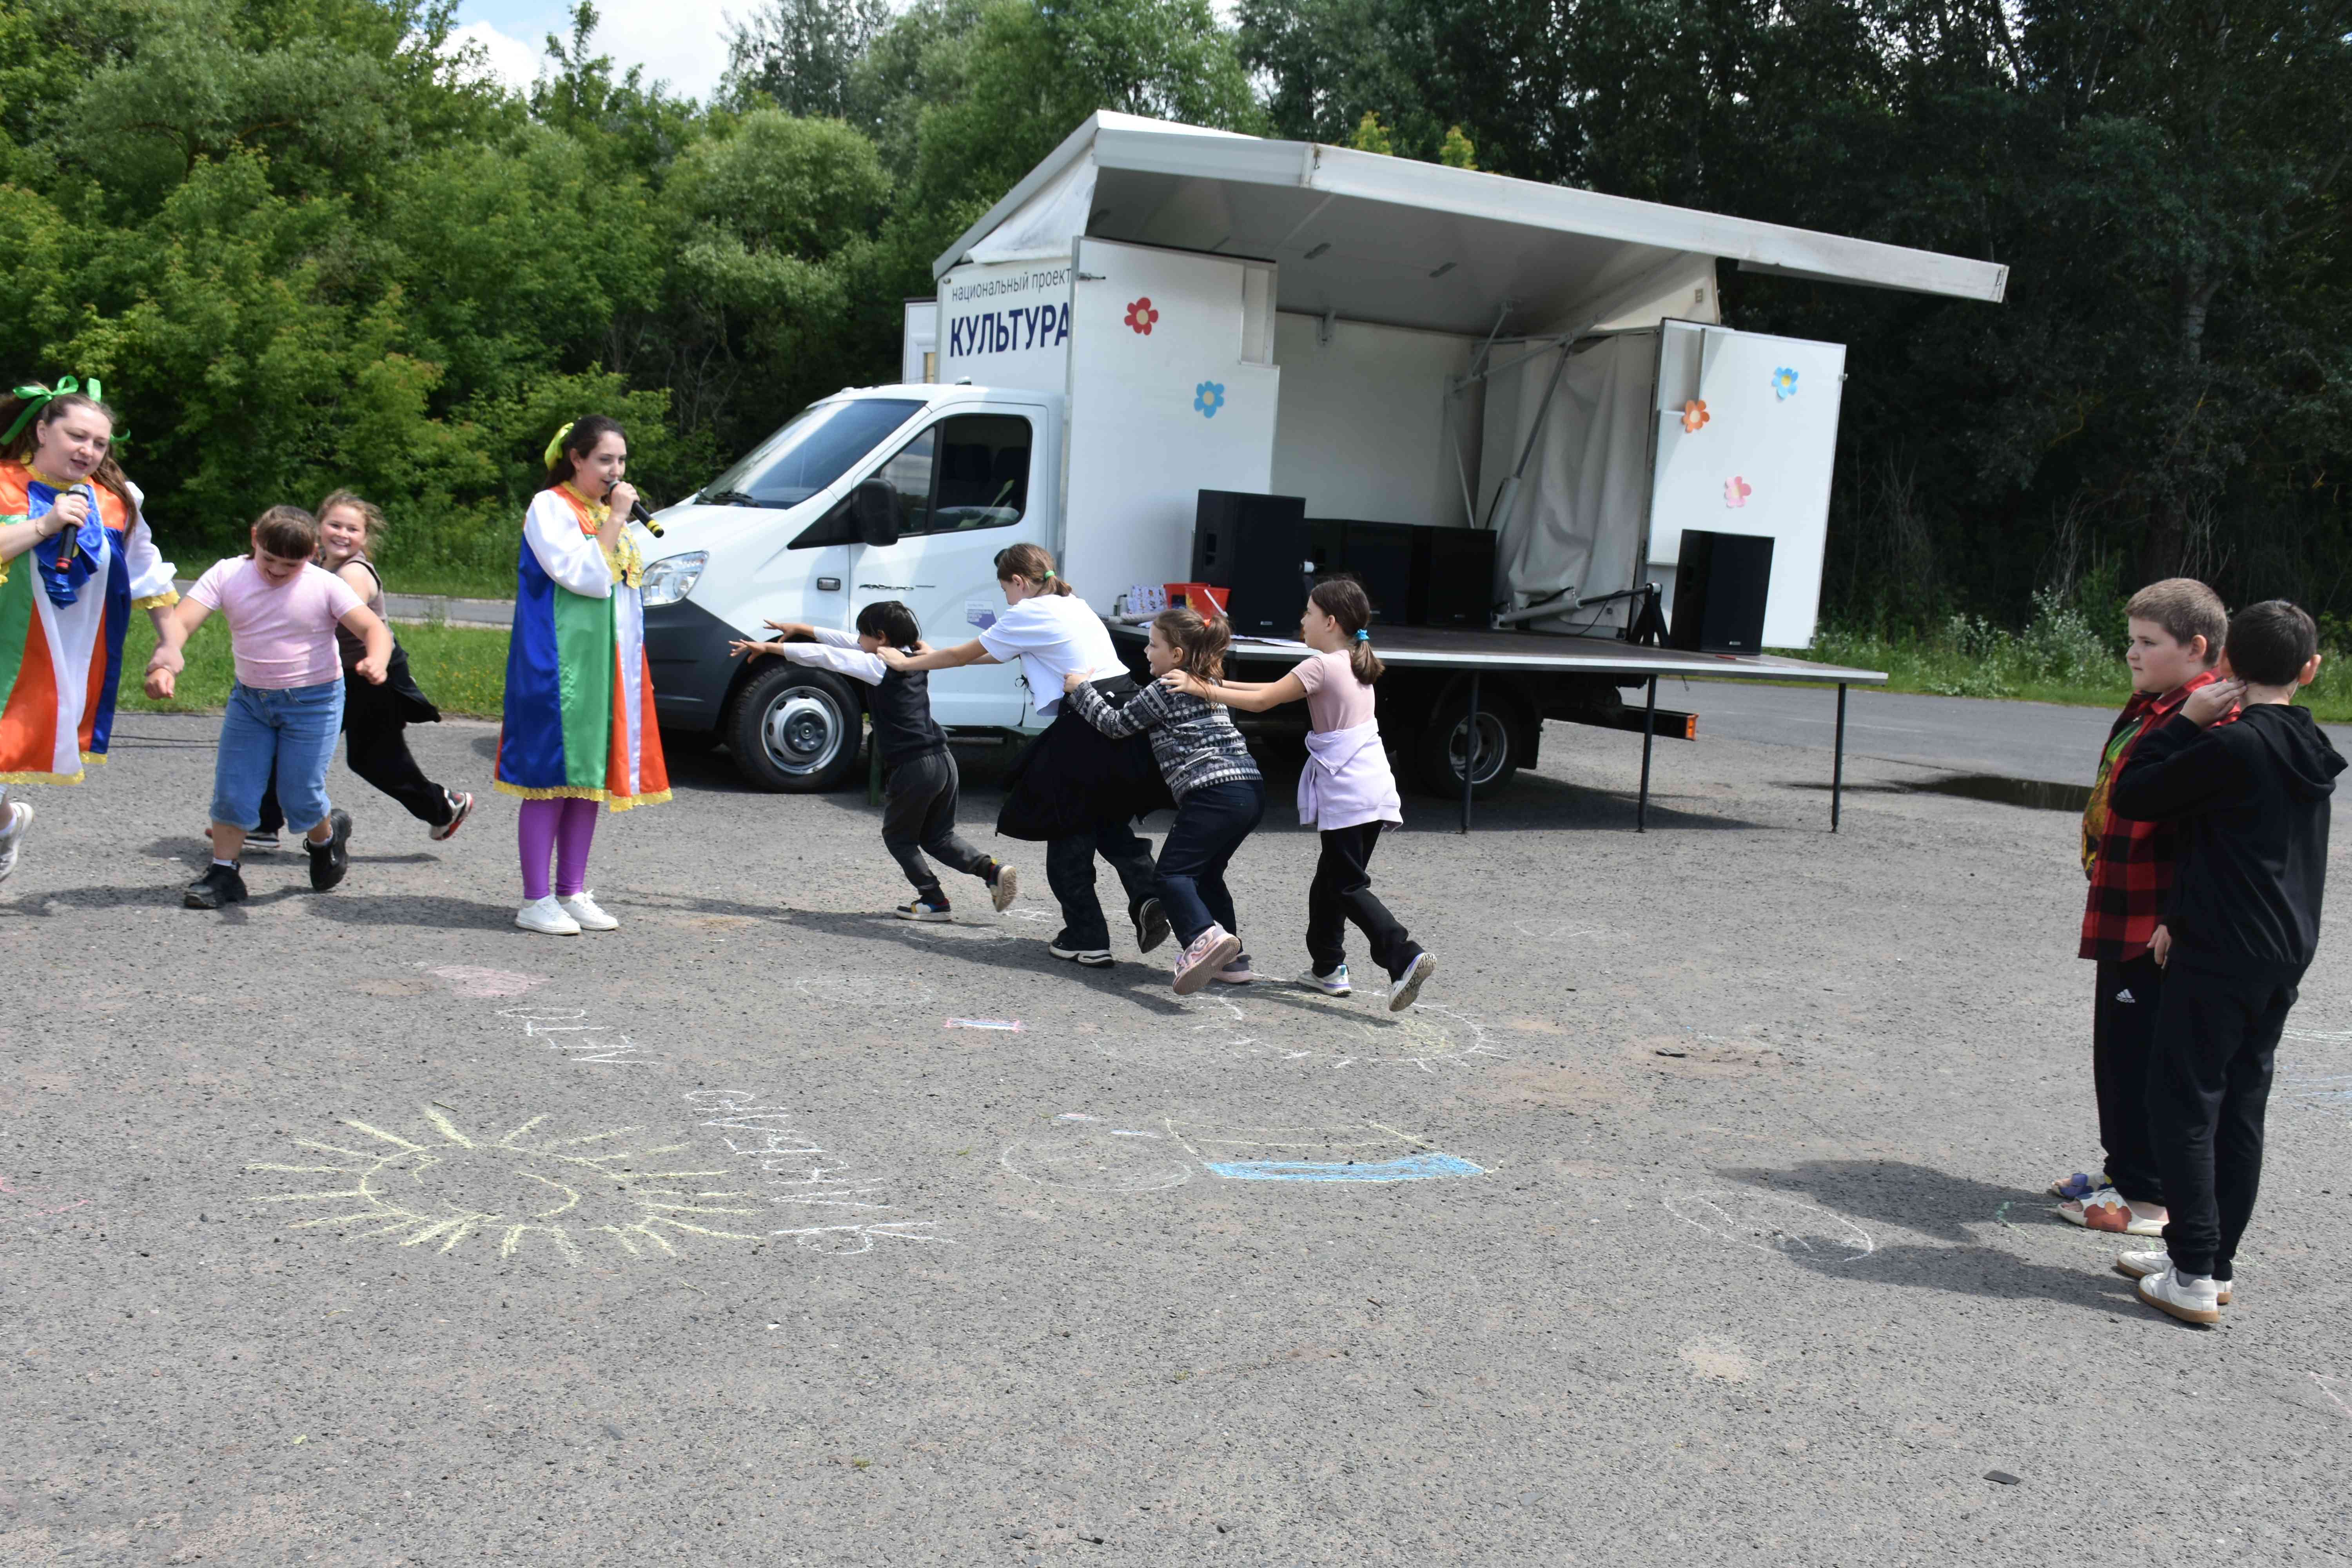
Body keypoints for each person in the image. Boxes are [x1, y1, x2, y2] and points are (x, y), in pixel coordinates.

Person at [2107, 600, 2341, 1325]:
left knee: (2185, 1104)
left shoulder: (2233, 744)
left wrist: (2184, 721)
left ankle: (2193, 1275)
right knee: (2239, 1105)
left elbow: (2134, 794)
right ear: (2311, 669)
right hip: (2283, 949)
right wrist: (2177, 913)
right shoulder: (2311, 744)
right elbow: (2233, 842)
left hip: (2223, 950)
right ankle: (2211, 1261)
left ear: (2228, 661)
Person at [877, 543, 1169, 968]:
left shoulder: (1029, 612)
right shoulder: (1073, 603)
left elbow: (963, 655)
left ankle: (1087, 936)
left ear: (1018, 582)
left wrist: (905, 665)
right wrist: (930, 657)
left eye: (1006, 591)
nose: (1007, 601)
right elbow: (995, 652)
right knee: (1106, 821)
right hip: (1124, 714)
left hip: (1086, 723)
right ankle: (1149, 894)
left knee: (1064, 827)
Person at [1163, 576, 1438, 1011]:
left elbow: (1263, 701)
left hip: (1348, 792)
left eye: (1309, 613)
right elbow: (1266, 691)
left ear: (1330, 622)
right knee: (1330, 883)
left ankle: (1403, 954)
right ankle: (1328, 968)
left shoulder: (1321, 665)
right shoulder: (1352, 662)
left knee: (1346, 884)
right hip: (1373, 788)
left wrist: (1199, 688)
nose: (1302, 620)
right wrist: (1207, 684)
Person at [2056, 579, 2235, 1236]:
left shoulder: (2207, 718)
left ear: (2197, 647)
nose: (2132, 653)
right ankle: (2123, 1170)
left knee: (2140, 1057)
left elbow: (2204, 831)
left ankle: (2145, 1196)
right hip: (2123, 905)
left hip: (2153, 920)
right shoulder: (2159, 704)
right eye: (2131, 640)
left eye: (2148, 642)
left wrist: (2174, 915)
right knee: (2116, 1050)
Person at [145, 506, 393, 908]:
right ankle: (224, 873)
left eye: (290, 565)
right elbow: (182, 623)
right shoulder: (228, 574)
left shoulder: (324, 585)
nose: (277, 571)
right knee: (233, 790)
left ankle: (326, 841)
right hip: (251, 701)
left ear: (312, 553)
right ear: (254, 538)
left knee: (300, 794)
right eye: (269, 559)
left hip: (314, 702)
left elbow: (372, 628)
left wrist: (377, 659)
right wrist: (165, 662)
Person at [731, 600, 1018, 920]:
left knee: (898, 838)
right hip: (943, 760)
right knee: (939, 837)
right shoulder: (915, 656)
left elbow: (827, 656)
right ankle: (992, 871)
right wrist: (802, 629)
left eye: (863, 634)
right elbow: (844, 643)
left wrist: (771, 649)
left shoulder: (879, 666)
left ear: (881, 637)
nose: (857, 640)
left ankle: (934, 900)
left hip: (915, 767)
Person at [0, 377, 180, 884]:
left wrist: (169, 643)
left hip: (57, 657)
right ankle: (7, 824)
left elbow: (146, 572)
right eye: (77, 436)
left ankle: (5, 825)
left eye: (99, 443)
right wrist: (45, 525)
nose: (88, 451)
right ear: (42, 430)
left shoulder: (118, 501)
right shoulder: (3, 483)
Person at [496, 417, 671, 935]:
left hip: (604, 665)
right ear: (576, 459)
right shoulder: (551, 507)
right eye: (604, 460)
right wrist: (616, 519)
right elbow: (584, 576)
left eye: (621, 461)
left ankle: (571, 891)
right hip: (558, 665)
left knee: (588, 780)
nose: (616, 471)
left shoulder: (602, 512)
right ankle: (535, 899)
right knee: (548, 780)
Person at [240, 491, 475, 851]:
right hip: (336, 674)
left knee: (371, 760)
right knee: (300, 743)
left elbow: (345, 609)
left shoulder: (354, 572)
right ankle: (262, 823)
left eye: (353, 529)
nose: (343, 534)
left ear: (365, 538)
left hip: (372, 674)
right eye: (335, 525)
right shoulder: (315, 564)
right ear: (319, 527)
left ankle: (444, 807)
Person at [1061, 606, 1263, 995]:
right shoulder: (1206, 681)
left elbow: (1116, 725)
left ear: (1177, 654)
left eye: (1154, 645)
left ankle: (1203, 939)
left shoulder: (1167, 686)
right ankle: (1232, 961)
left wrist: (1081, 689)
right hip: (1249, 790)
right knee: (1206, 875)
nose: (1146, 652)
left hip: (1212, 792)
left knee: (1172, 876)